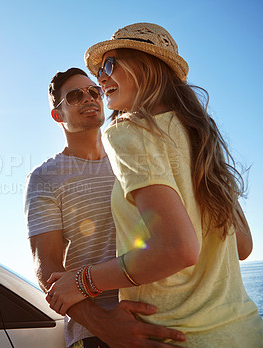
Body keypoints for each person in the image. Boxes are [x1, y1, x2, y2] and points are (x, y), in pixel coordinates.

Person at [46, 23, 263, 347]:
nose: (101, 79)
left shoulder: (126, 132)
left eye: (109, 65)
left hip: (174, 337)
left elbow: (177, 248)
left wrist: (83, 281)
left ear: (146, 66)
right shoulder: (201, 137)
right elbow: (242, 245)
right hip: (244, 332)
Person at [24, 67, 186, 347]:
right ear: (57, 115)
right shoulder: (45, 177)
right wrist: (105, 325)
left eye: (94, 91)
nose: (89, 98)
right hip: (97, 335)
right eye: (75, 96)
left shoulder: (134, 155)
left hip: (164, 318)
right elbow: (47, 267)